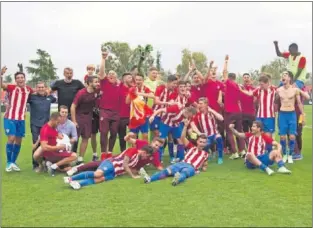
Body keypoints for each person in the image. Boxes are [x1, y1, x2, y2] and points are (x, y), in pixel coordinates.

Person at [140, 121, 208, 186]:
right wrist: (185, 126)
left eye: (204, 142)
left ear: (206, 143)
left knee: (184, 173)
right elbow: (182, 138)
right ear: (197, 142)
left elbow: (204, 166)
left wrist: (200, 169)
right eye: (200, 141)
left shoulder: (205, 154)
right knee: (166, 171)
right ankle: (149, 179)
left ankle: (177, 180)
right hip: (181, 163)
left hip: (191, 167)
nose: (202, 144)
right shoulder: (191, 147)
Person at [66, 133, 164, 176]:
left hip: (127, 168)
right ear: (151, 142)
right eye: (156, 145)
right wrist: (128, 135)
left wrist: (168, 172)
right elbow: (127, 139)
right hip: (119, 160)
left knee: (100, 173)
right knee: (97, 165)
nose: (157, 147)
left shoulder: (155, 155)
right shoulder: (142, 144)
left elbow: (158, 166)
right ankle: (76, 169)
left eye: (159, 146)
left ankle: (75, 172)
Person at [64, 145, 154, 190]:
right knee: (97, 174)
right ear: (144, 152)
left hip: (115, 173)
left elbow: (132, 168)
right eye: (147, 155)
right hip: (111, 163)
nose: (145, 158)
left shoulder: (137, 159)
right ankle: (70, 178)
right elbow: (125, 164)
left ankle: (79, 184)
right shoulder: (133, 150)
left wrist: (140, 174)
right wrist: (132, 176)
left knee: (99, 179)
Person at [1, 67, 34, 172]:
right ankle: (8, 162)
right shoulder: (12, 88)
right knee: (11, 138)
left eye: (22, 77)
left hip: (21, 119)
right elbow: (2, 85)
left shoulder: (28, 89)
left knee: (19, 141)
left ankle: (13, 162)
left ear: (24, 79)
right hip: (10, 117)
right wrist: (1, 75)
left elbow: (36, 94)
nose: (20, 79)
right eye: (18, 78)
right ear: (16, 80)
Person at [51, 67, 84, 153]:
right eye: (67, 73)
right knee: (59, 134)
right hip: (61, 113)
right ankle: (58, 152)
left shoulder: (77, 83)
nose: (69, 75)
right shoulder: (58, 83)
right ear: (64, 74)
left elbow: (84, 92)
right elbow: (50, 91)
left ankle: (73, 153)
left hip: (74, 113)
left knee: (75, 134)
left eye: (70, 73)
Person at [241, 75, 277, 153]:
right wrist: (240, 90)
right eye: (259, 84)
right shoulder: (258, 90)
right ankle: (258, 151)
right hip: (259, 116)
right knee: (257, 133)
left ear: (267, 83)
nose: (260, 86)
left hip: (269, 116)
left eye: (262, 84)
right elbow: (250, 94)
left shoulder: (274, 89)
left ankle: (269, 152)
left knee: (268, 135)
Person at [36, 112, 77, 176]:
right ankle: (54, 166)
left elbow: (55, 136)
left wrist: (60, 137)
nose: (58, 124)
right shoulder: (45, 129)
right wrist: (58, 147)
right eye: (57, 122)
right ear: (53, 120)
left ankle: (51, 165)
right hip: (52, 153)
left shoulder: (53, 128)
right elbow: (44, 147)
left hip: (55, 152)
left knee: (69, 165)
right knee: (74, 156)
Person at [70, 76, 100, 163]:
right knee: (74, 138)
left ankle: (80, 158)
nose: (98, 83)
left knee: (86, 138)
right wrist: (74, 121)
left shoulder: (96, 91)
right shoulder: (81, 93)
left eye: (98, 82)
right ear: (90, 83)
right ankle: (68, 158)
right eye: (95, 82)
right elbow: (73, 106)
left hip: (88, 117)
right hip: (79, 116)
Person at [275, 71, 304, 164]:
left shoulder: (295, 90)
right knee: (282, 137)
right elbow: (275, 102)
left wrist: (303, 115)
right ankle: (284, 155)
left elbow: (299, 103)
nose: (283, 76)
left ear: (289, 78)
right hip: (282, 114)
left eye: (285, 75)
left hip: (292, 114)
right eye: (282, 75)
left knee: (292, 136)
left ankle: (290, 155)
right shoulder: (279, 90)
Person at [28, 81, 57, 171]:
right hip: (35, 124)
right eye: (39, 87)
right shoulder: (31, 97)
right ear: (36, 89)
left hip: (46, 126)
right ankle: (36, 165)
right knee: (36, 144)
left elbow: (55, 94)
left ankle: (45, 163)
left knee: (46, 145)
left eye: (42, 87)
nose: (41, 89)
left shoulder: (50, 98)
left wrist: (50, 91)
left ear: (45, 88)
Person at [221, 55, 246, 159]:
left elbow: (224, 72)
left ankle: (234, 152)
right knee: (239, 131)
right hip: (238, 112)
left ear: (229, 79)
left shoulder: (229, 84)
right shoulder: (238, 86)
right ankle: (242, 151)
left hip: (230, 112)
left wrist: (226, 61)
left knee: (229, 131)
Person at [98, 51, 121, 157]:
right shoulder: (104, 83)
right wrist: (103, 59)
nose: (111, 75)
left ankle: (110, 152)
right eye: (109, 74)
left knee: (114, 133)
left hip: (116, 113)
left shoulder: (119, 87)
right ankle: (103, 153)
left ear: (116, 78)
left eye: (113, 74)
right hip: (104, 111)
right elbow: (102, 72)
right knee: (103, 132)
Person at [190, 97, 224, 164]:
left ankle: (220, 158)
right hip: (206, 136)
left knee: (219, 138)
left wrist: (212, 111)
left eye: (201, 104)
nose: (199, 105)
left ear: (206, 104)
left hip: (214, 134)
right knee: (203, 145)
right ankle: (207, 155)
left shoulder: (211, 112)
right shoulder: (198, 114)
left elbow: (221, 118)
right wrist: (199, 133)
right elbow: (192, 124)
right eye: (199, 103)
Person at [127, 73, 154, 141]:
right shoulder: (132, 89)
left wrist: (140, 93)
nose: (138, 81)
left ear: (143, 81)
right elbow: (127, 102)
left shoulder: (145, 88)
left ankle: (144, 151)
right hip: (134, 116)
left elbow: (152, 96)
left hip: (144, 116)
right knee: (133, 136)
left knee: (145, 135)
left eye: (140, 80)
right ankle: (135, 151)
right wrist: (131, 93)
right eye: (136, 80)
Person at [118, 73, 133, 151]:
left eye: (131, 77)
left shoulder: (133, 88)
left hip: (131, 116)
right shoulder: (120, 87)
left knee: (133, 135)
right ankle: (123, 152)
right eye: (129, 77)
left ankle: (133, 151)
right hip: (121, 116)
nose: (131, 78)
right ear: (124, 80)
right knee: (122, 136)